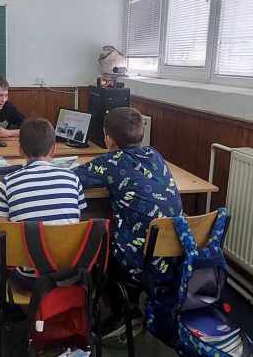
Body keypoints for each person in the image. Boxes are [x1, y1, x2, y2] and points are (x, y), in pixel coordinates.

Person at [74, 107, 182, 341]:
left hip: (141, 258)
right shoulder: (155, 154)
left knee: (91, 241)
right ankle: (128, 302)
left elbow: (73, 177)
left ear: (108, 138)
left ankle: (121, 312)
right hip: (175, 252)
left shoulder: (111, 161)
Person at [0, 118, 86, 291]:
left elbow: (3, 233)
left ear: (20, 150)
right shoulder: (72, 178)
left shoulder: (7, 182)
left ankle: (5, 298)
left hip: (29, 278)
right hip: (68, 273)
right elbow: (78, 219)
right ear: (54, 149)